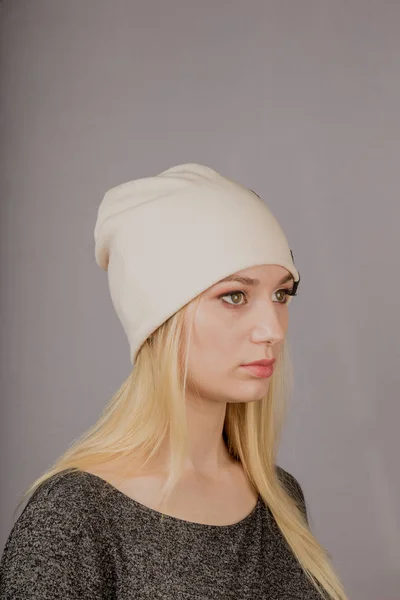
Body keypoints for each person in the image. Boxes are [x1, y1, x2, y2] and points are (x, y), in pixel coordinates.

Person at [0, 163, 349, 599]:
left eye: (281, 294)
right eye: (234, 296)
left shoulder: (279, 497)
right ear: (160, 321)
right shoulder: (75, 517)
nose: (273, 329)